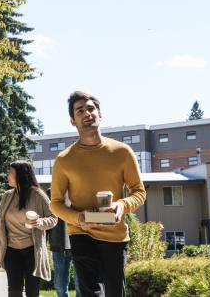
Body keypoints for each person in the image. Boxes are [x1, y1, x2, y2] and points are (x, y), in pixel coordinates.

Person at [49, 91, 147, 297]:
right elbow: (55, 203)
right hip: (81, 233)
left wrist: (122, 205)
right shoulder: (64, 159)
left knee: (114, 293)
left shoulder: (122, 152)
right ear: (72, 121)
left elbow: (139, 192)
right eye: (80, 110)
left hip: (115, 235)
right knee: (91, 294)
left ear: (100, 115)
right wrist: (78, 218)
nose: (87, 113)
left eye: (91, 108)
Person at [0, 161, 57, 297]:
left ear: (20, 175)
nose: (8, 175)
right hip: (11, 250)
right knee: (14, 290)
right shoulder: (7, 196)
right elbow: (0, 226)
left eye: (11, 172)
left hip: (32, 250)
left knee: (32, 292)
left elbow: (54, 218)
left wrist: (40, 222)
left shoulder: (37, 194)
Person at [48, 188, 80, 297]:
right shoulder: (51, 192)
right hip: (59, 244)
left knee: (81, 285)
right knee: (60, 285)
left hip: (79, 243)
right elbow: (46, 217)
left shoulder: (81, 190)